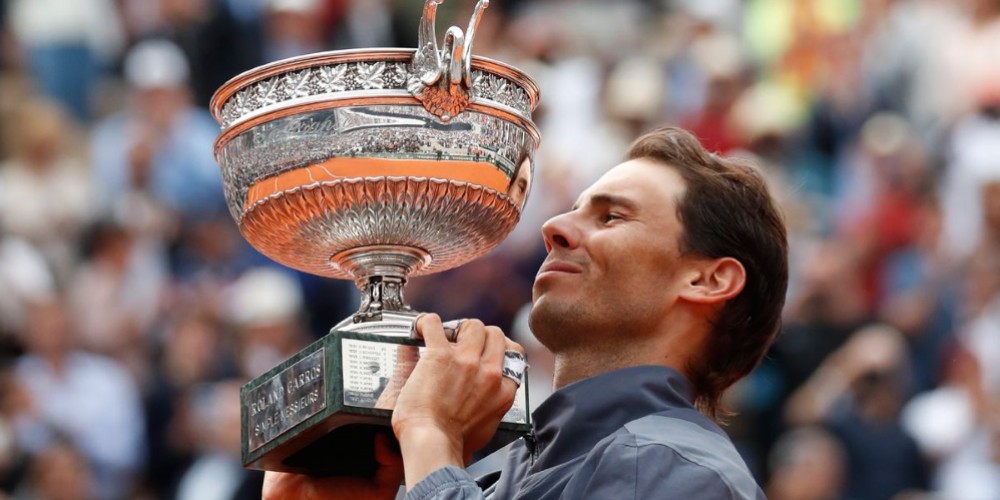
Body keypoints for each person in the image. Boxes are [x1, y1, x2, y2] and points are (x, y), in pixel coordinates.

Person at [264, 126, 789, 499]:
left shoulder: (678, 468)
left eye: (612, 216)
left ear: (708, 280)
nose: (554, 227)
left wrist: (431, 434)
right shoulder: (487, 474)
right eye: (575, 209)